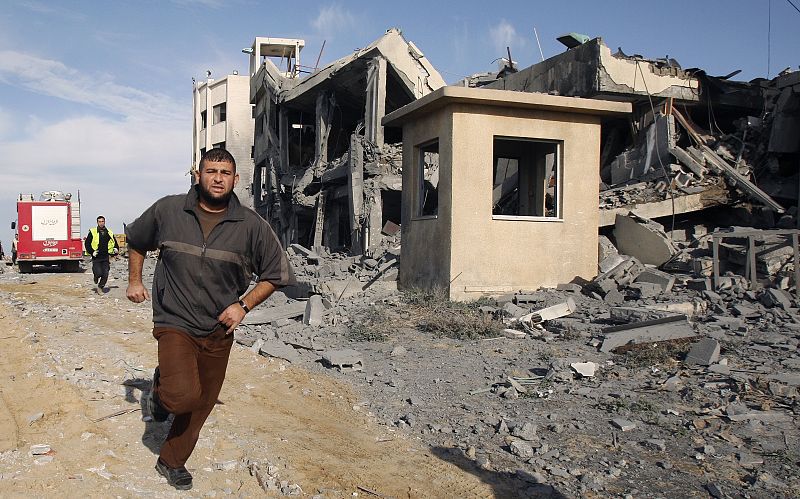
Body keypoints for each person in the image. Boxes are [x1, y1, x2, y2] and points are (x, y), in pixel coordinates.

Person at [125, 148, 295, 491]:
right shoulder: (168, 210)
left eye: (225, 173)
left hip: (219, 327)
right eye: (211, 171)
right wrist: (134, 280)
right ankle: (163, 391)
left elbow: (276, 273)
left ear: (235, 179)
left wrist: (243, 306)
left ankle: (171, 461)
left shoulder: (250, 225)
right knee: (182, 396)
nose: (218, 178)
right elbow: (137, 240)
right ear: (197, 174)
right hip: (174, 319)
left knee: (202, 403)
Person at [85, 215, 119, 292]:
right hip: (96, 256)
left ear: (104, 222)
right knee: (98, 273)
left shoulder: (109, 232)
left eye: (102, 221)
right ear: (97, 222)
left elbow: (114, 242)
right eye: (99, 222)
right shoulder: (92, 232)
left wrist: (116, 249)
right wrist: (92, 252)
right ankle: (96, 277)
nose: (101, 223)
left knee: (105, 273)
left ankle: (100, 287)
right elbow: (87, 243)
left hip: (105, 256)